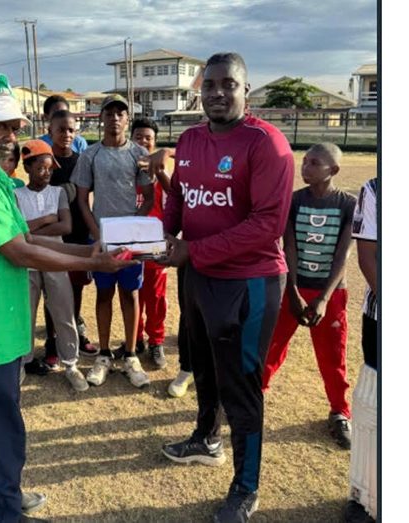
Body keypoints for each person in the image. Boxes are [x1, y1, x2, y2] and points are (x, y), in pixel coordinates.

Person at [0, 71, 136, 523]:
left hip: (1, 326)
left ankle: (6, 493)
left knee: (5, 422)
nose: (12, 136)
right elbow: (19, 250)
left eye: (15, 126)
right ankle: (0, 510)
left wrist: (91, 250)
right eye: (1, 126)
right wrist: (94, 263)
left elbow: (27, 236)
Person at [155, 52, 294, 523]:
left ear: (245, 90)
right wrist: (164, 235)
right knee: (203, 364)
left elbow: (267, 224)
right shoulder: (191, 138)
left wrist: (193, 250)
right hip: (198, 276)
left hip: (249, 282)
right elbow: (180, 195)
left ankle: (246, 487)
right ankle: (205, 438)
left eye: (227, 84)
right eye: (209, 84)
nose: (216, 92)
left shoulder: (266, 143)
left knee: (242, 386)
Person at [261, 142, 357, 449]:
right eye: (305, 161)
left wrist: (324, 298)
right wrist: (292, 291)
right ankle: (255, 394)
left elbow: (343, 255)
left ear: (334, 170)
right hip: (293, 287)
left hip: (330, 293)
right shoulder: (294, 201)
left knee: (333, 356)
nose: (306, 167)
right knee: (272, 346)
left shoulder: (348, 205)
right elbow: (287, 249)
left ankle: (340, 411)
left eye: (315, 163)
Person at [71, 94, 155, 388]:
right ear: (101, 118)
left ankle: (131, 354)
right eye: (110, 113)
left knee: (130, 295)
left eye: (121, 113)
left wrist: (133, 230)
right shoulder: (90, 155)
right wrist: (98, 234)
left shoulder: (138, 155)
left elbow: (150, 198)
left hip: (130, 242)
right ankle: (104, 354)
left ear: (126, 119)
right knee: (104, 294)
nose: (115, 118)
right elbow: (82, 200)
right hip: (103, 240)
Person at [15, 139, 89, 391]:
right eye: (41, 168)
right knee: (26, 313)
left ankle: (70, 363)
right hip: (26, 260)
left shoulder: (58, 193)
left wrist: (32, 230)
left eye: (50, 168)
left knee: (63, 310)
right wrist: (47, 218)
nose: (46, 173)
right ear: (27, 167)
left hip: (55, 258)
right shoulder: (16, 195)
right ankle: (22, 362)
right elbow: (17, 231)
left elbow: (65, 226)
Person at [44, 109, 98, 364]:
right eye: (60, 129)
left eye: (71, 130)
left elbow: (88, 197)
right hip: (53, 237)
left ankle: (75, 331)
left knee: (76, 288)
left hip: (79, 234)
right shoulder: (44, 162)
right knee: (52, 289)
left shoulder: (83, 160)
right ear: (50, 131)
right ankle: (51, 340)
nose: (66, 134)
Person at [121, 117, 170, 369]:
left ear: (154, 143)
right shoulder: (124, 168)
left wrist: (159, 170)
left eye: (147, 138)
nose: (142, 142)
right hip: (128, 242)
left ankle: (156, 341)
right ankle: (135, 339)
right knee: (132, 292)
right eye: (138, 137)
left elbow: (174, 195)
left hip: (153, 243)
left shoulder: (160, 171)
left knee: (155, 296)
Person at [344, 177, 378, 523]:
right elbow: (368, 257)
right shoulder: (376, 189)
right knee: (372, 405)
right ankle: (365, 498)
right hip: (381, 315)